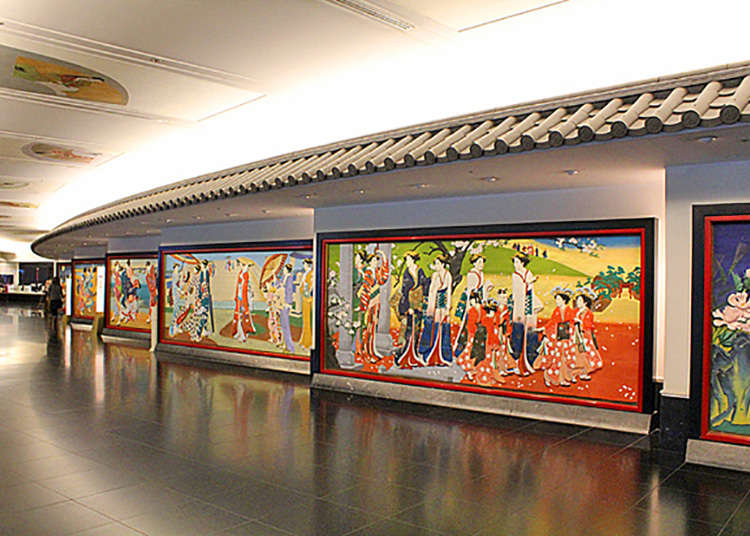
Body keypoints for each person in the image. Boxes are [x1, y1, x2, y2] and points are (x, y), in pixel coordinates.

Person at [395, 251, 430, 369]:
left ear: (414, 260)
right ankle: (406, 354)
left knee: (417, 329)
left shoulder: (420, 271)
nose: (407, 262)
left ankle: (414, 352)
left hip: (419, 303)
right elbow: (405, 291)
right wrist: (407, 307)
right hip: (409, 303)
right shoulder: (406, 273)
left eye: (409, 260)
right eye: (406, 260)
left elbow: (425, 284)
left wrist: (424, 298)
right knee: (409, 330)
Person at [419, 254, 453, 366]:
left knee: (444, 328)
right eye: (436, 263)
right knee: (432, 327)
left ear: (443, 264)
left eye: (438, 263)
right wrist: (430, 307)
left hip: (443, 302)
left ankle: (444, 355)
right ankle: (427, 352)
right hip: (434, 303)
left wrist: (448, 306)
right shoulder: (434, 275)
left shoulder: (448, 275)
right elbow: (431, 291)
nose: (436, 266)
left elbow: (448, 291)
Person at [539, 288, 577, 387]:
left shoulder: (569, 310)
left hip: (566, 336)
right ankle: (551, 377)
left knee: (565, 358)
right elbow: (552, 322)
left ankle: (564, 377)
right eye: (556, 300)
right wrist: (545, 329)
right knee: (557, 358)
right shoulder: (556, 310)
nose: (557, 302)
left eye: (559, 300)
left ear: (564, 300)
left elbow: (571, 322)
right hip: (557, 336)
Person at [510, 253, 540, 376]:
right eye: (514, 262)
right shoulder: (515, 276)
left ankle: (530, 362)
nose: (515, 265)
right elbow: (516, 293)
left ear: (522, 263)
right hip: (518, 306)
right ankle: (515, 362)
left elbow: (530, 292)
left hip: (528, 305)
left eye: (517, 262)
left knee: (530, 333)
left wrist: (529, 283)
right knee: (517, 333)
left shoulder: (528, 273)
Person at [573, 289, 603, 380]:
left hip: (585, 335)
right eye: (577, 301)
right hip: (575, 334)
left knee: (584, 353)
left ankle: (584, 372)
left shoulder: (588, 313)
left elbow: (589, 325)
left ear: (585, 302)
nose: (578, 303)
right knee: (575, 353)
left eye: (580, 301)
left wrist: (580, 322)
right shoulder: (576, 311)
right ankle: (575, 372)